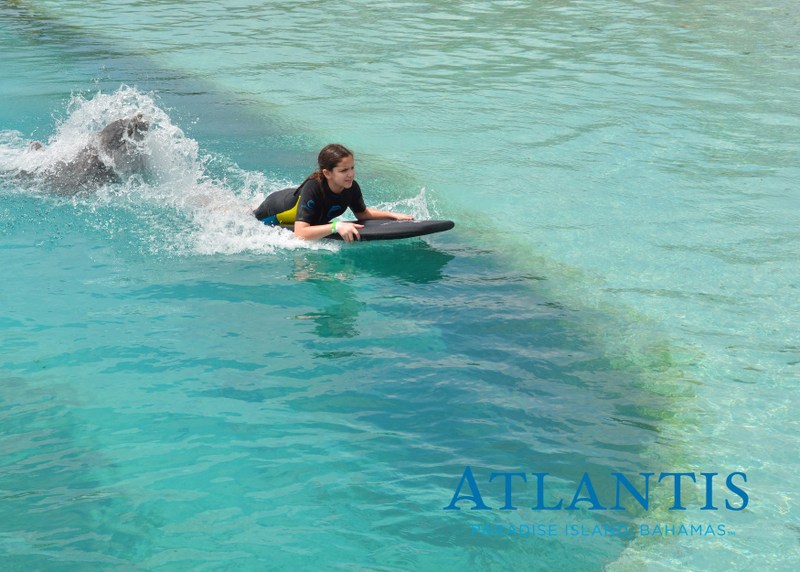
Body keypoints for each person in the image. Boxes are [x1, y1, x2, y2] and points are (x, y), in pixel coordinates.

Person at [254, 144, 412, 242]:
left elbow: (363, 214)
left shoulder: (351, 187)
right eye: (344, 170)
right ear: (327, 173)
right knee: (250, 216)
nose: (350, 174)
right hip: (273, 210)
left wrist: (393, 216)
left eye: (352, 168)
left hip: (298, 204)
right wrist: (336, 226)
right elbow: (300, 233)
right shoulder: (314, 188)